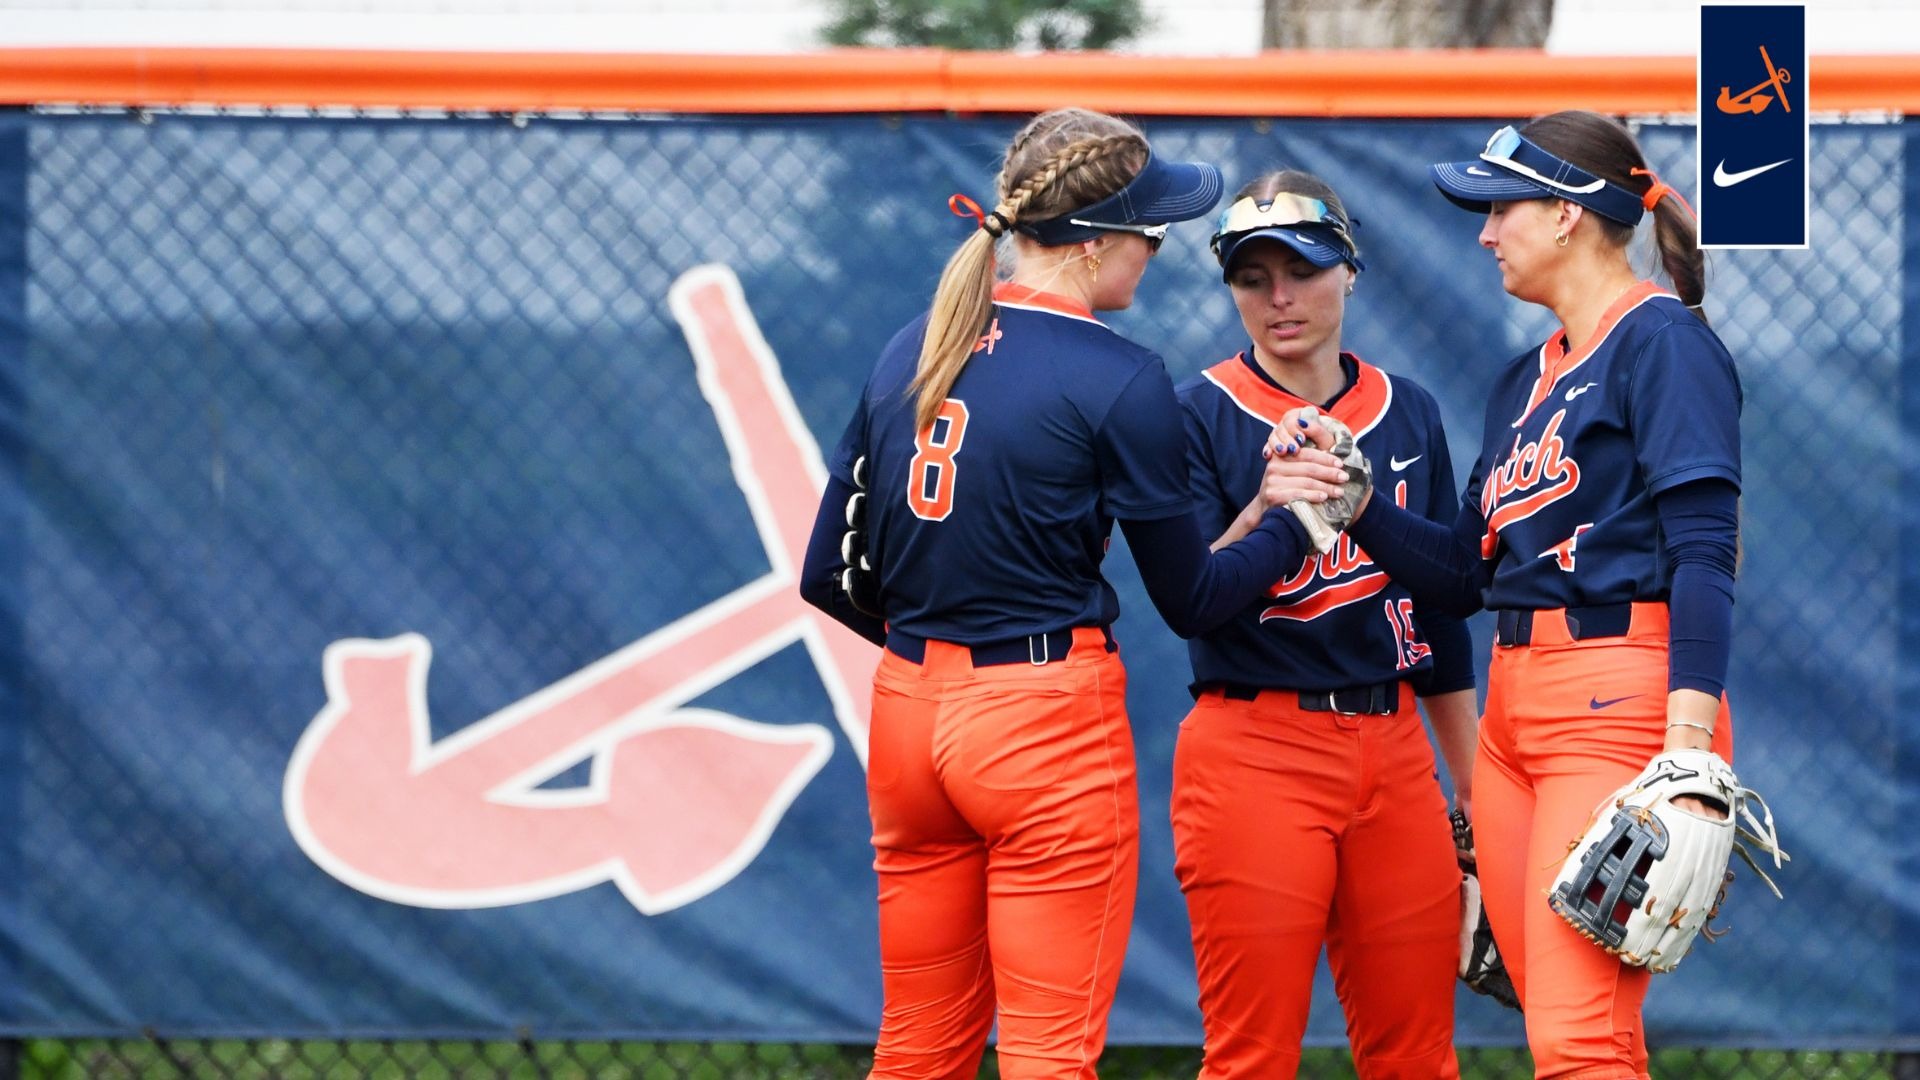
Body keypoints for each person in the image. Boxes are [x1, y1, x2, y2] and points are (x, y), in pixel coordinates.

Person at [797, 107, 1326, 1080]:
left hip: (912, 710)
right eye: (1151, 229)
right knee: (1048, 1055)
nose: (1156, 250)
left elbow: (828, 574)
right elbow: (1195, 600)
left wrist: (940, 656)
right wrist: (1294, 524)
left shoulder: (918, 340)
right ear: (1096, 241)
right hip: (1040, 719)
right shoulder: (1118, 374)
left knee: (917, 1047)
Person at [1270, 111, 1742, 1078]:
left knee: (1579, 1039)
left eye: (1502, 207)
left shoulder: (1662, 343)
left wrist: (1687, 753)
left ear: (1568, 215)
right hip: (1512, 711)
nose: (1485, 232)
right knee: (1563, 1031)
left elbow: (1705, 552)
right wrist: (1358, 504)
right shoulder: (1522, 379)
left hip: (1619, 696)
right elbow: (1466, 577)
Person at [1170, 169, 1477, 1078]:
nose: (1279, 297)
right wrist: (1271, 508)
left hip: (1394, 748)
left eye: (1301, 268)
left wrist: (1473, 787)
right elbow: (1193, 595)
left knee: (1417, 1054)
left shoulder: (1408, 408)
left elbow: (1441, 612)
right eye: (1251, 275)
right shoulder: (1195, 413)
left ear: (1350, 270)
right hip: (1256, 740)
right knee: (1252, 1057)